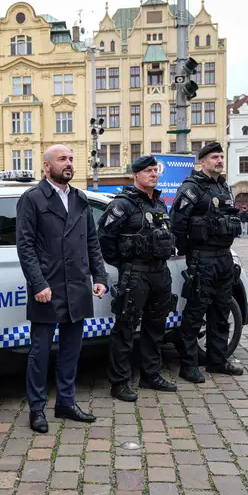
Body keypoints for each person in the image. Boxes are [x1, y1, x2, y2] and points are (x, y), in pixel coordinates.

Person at [16, 145, 108, 432]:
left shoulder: (79, 198)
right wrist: (38, 283)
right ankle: (37, 408)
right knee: (40, 352)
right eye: (62, 160)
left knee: (71, 349)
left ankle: (66, 402)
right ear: (46, 167)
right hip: (49, 286)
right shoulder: (32, 199)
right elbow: (25, 246)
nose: (68, 164)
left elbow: (91, 241)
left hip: (77, 285)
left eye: (70, 159)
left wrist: (100, 276)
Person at [99, 155, 179, 401]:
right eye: (148, 171)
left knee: (155, 327)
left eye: (156, 171)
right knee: (125, 328)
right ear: (136, 175)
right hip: (136, 274)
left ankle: (150, 374)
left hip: (159, 273)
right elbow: (104, 238)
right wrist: (125, 264)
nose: (153, 174)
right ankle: (120, 382)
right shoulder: (122, 205)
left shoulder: (159, 205)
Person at [169, 142, 244, 383]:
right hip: (202, 258)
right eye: (214, 157)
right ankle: (189, 365)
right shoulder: (192, 188)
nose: (220, 161)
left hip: (223, 256)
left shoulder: (223, 187)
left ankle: (217, 360)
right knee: (195, 313)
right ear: (202, 162)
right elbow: (177, 223)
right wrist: (190, 252)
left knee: (221, 310)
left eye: (221, 156)